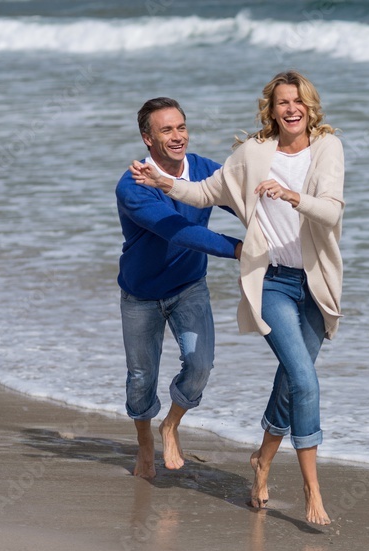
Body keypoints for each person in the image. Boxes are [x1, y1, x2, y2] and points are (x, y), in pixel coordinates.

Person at [130, 71, 345, 525]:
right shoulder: (252, 154)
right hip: (270, 282)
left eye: (298, 101)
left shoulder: (328, 147)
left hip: (315, 282)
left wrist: (292, 196)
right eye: (282, 102)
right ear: (271, 109)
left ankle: (262, 461)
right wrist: (162, 183)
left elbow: (329, 211)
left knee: (291, 380)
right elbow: (204, 192)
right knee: (305, 380)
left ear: (310, 106)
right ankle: (312, 492)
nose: (291, 109)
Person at [116, 97, 242, 480]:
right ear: (147, 138)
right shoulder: (134, 185)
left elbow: (243, 202)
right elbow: (180, 231)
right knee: (141, 378)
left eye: (181, 127)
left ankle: (170, 424)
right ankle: (144, 443)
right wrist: (239, 248)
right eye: (166, 130)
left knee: (200, 364)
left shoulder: (204, 170)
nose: (177, 136)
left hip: (189, 287)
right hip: (141, 294)